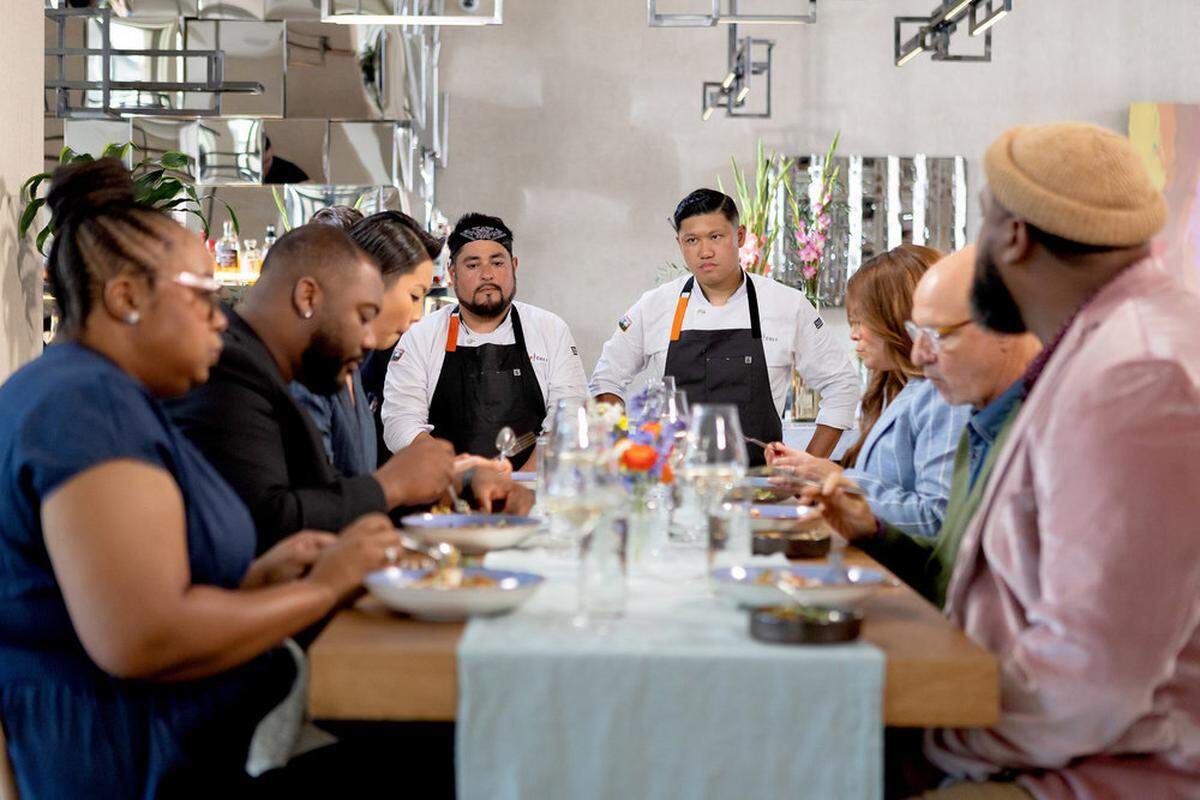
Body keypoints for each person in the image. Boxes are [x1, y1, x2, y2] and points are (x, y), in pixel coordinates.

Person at [817, 123, 1200, 798]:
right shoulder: (1116, 338)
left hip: (1098, 769)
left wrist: (931, 743)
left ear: (1014, 237)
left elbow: (1093, 677)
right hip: (1053, 740)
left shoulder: (1133, 373)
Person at [0, 158, 405, 797]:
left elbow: (127, 584)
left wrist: (252, 578)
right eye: (202, 296)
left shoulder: (111, 397)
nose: (221, 318)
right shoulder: (87, 408)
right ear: (126, 297)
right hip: (138, 757)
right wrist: (322, 588)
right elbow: (143, 637)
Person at [167, 223, 518, 553]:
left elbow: (333, 495)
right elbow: (268, 521)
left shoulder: (292, 367)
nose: (367, 338)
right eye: (363, 315)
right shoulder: (232, 368)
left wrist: (450, 481)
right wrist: (391, 485)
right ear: (308, 297)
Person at [800, 245, 1040, 609]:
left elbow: (934, 522)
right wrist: (871, 528)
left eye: (939, 334)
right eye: (917, 332)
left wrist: (848, 483)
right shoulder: (977, 419)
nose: (918, 353)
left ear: (1004, 326)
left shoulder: (988, 416)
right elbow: (947, 567)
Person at [589, 188, 861, 466]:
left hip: (761, 488)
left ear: (740, 236)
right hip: (675, 487)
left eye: (716, 237)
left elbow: (842, 383)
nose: (705, 251)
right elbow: (605, 379)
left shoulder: (787, 305)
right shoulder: (654, 306)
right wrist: (623, 454)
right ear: (679, 243)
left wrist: (806, 466)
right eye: (692, 240)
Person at [765, 244, 970, 537]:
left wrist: (840, 482)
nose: (853, 334)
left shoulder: (943, 398)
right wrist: (812, 479)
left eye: (861, 321)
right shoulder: (895, 392)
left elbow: (936, 519)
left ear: (897, 320)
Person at [382, 212, 589, 470]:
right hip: (446, 493)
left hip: (531, 492)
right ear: (452, 273)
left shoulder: (550, 330)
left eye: (497, 263)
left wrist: (521, 485)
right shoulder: (420, 336)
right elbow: (400, 424)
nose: (487, 274)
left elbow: (569, 417)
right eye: (473, 265)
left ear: (514, 266)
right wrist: (458, 475)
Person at [293, 207, 441, 476]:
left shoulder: (351, 371)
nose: (418, 316)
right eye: (415, 296)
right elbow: (317, 499)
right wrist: (396, 487)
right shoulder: (309, 377)